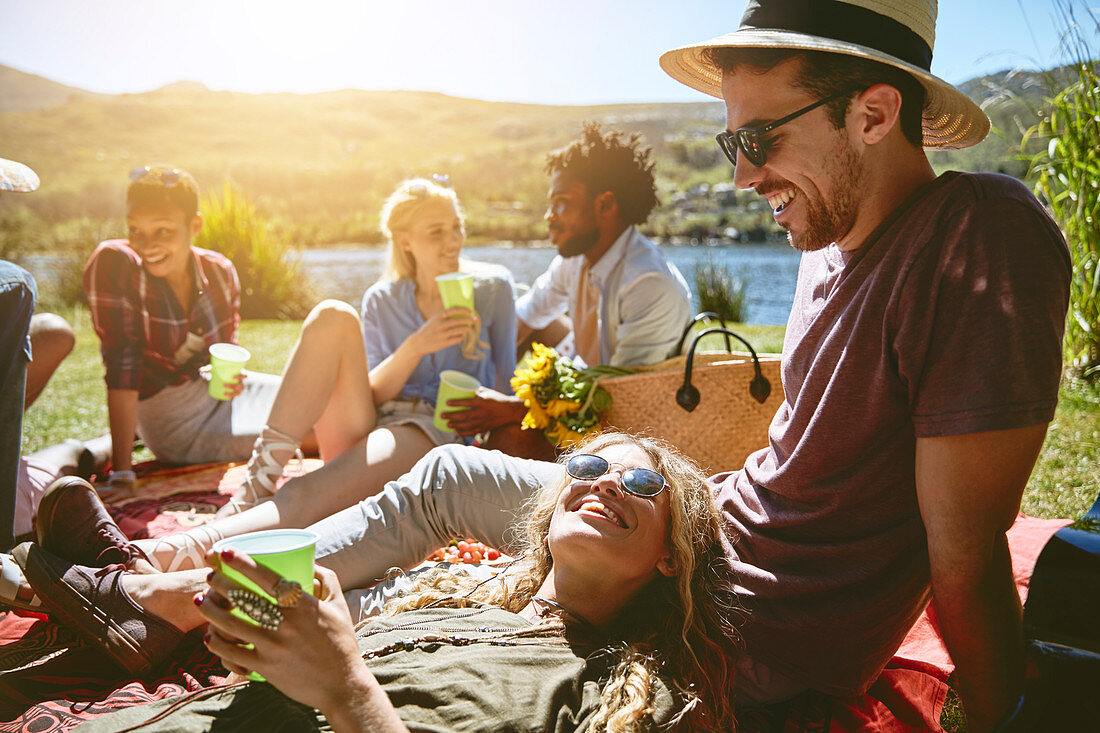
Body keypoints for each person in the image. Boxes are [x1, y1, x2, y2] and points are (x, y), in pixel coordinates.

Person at [106, 1, 1064, 728]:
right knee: (439, 475)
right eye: (732, 141)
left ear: (874, 111)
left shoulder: (978, 239)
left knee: (435, 543)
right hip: (713, 526)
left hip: (755, 618)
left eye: (759, 139)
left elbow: (970, 556)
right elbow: (815, 462)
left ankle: (166, 595)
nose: (739, 174)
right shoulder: (828, 241)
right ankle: (179, 578)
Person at [24, 433, 738, 732]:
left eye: (642, 482)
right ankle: (141, 598)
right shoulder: (455, 591)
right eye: (585, 467)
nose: (607, 479)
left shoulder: (620, 699)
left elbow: (341, 685)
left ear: (670, 556)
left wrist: (350, 690)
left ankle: (130, 592)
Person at [31, 177, 515, 575]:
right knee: (331, 315)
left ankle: (152, 559)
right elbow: (373, 392)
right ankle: (257, 483)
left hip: (431, 432)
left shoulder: (493, 289)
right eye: (437, 232)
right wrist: (418, 345)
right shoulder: (384, 300)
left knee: (307, 492)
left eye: (456, 228)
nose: (453, 241)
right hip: (375, 419)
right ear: (404, 240)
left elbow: (508, 388)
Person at [443, 123, 693, 455]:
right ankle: (476, 419)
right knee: (523, 323)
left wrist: (509, 408)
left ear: (605, 205)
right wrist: (480, 378)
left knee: (507, 442)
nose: (549, 216)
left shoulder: (647, 284)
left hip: (631, 431)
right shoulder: (576, 259)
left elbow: (618, 402)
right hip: (588, 378)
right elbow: (524, 317)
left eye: (561, 203)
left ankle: (488, 445)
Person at [83, 165, 283, 495]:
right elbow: (122, 370)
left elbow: (224, 354)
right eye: (136, 230)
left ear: (195, 225)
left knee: (321, 399)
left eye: (162, 231)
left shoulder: (219, 271)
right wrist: (122, 472)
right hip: (173, 421)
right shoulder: (116, 264)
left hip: (216, 397)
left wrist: (233, 378)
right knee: (313, 425)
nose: (146, 245)